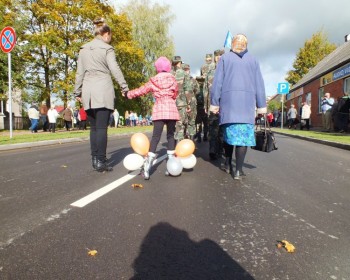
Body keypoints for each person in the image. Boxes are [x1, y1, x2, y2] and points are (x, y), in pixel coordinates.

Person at [74, 18, 129, 172]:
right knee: (101, 128)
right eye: (110, 36)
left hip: (88, 90)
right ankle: (102, 161)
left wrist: (77, 91)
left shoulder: (83, 49)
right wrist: (124, 87)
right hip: (103, 89)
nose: (110, 39)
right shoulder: (107, 49)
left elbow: (79, 73)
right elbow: (114, 68)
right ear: (105, 34)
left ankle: (94, 159)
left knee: (93, 128)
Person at [210, 34, 266, 180]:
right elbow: (259, 84)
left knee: (229, 135)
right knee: (242, 138)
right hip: (247, 105)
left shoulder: (225, 58)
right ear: (246, 44)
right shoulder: (253, 60)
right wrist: (261, 106)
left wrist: (214, 103)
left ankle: (228, 164)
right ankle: (238, 170)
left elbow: (217, 83)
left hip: (229, 104)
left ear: (232, 44)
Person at [127, 56, 179, 180]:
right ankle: (171, 166)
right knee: (171, 136)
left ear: (157, 68)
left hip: (159, 110)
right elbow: (176, 93)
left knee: (156, 137)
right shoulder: (173, 79)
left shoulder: (153, 81)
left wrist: (128, 94)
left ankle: (147, 167)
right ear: (168, 67)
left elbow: (141, 90)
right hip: (171, 110)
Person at [204, 49, 225, 160]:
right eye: (217, 55)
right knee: (212, 127)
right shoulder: (210, 71)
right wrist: (206, 105)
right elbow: (206, 90)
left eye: (221, 55)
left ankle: (220, 150)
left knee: (222, 128)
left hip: (224, 104)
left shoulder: (227, 69)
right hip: (212, 104)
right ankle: (212, 149)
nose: (219, 57)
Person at [171, 55, 191, 141]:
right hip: (181, 103)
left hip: (170, 104)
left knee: (173, 126)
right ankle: (180, 147)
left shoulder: (169, 74)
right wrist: (189, 103)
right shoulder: (183, 73)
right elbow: (187, 90)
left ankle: (173, 145)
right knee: (181, 125)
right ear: (180, 63)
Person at [181, 63, 198, 139]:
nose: (186, 71)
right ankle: (191, 141)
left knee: (186, 122)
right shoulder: (193, 80)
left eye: (187, 69)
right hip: (189, 102)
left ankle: (186, 141)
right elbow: (197, 91)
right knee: (191, 122)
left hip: (184, 103)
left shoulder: (179, 80)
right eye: (185, 70)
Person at [194, 76, 208, 143]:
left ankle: (199, 137)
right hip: (204, 107)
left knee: (199, 123)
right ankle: (205, 136)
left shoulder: (196, 88)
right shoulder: (205, 88)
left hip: (198, 107)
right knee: (205, 123)